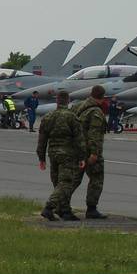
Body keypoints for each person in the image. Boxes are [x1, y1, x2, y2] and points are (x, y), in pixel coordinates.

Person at [36, 90, 85, 221]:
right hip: (67, 154)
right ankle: (49, 207)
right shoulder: (72, 117)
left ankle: (64, 210)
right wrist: (82, 157)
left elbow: (42, 140)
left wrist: (41, 158)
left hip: (53, 154)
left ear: (57, 101)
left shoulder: (48, 117)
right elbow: (79, 139)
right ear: (68, 101)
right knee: (66, 183)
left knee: (57, 182)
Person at [74, 84, 109, 219]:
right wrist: (94, 153)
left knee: (73, 180)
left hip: (77, 149)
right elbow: (94, 134)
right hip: (89, 151)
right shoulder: (96, 112)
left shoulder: (79, 106)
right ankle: (91, 209)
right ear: (102, 97)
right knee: (97, 179)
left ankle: (59, 205)